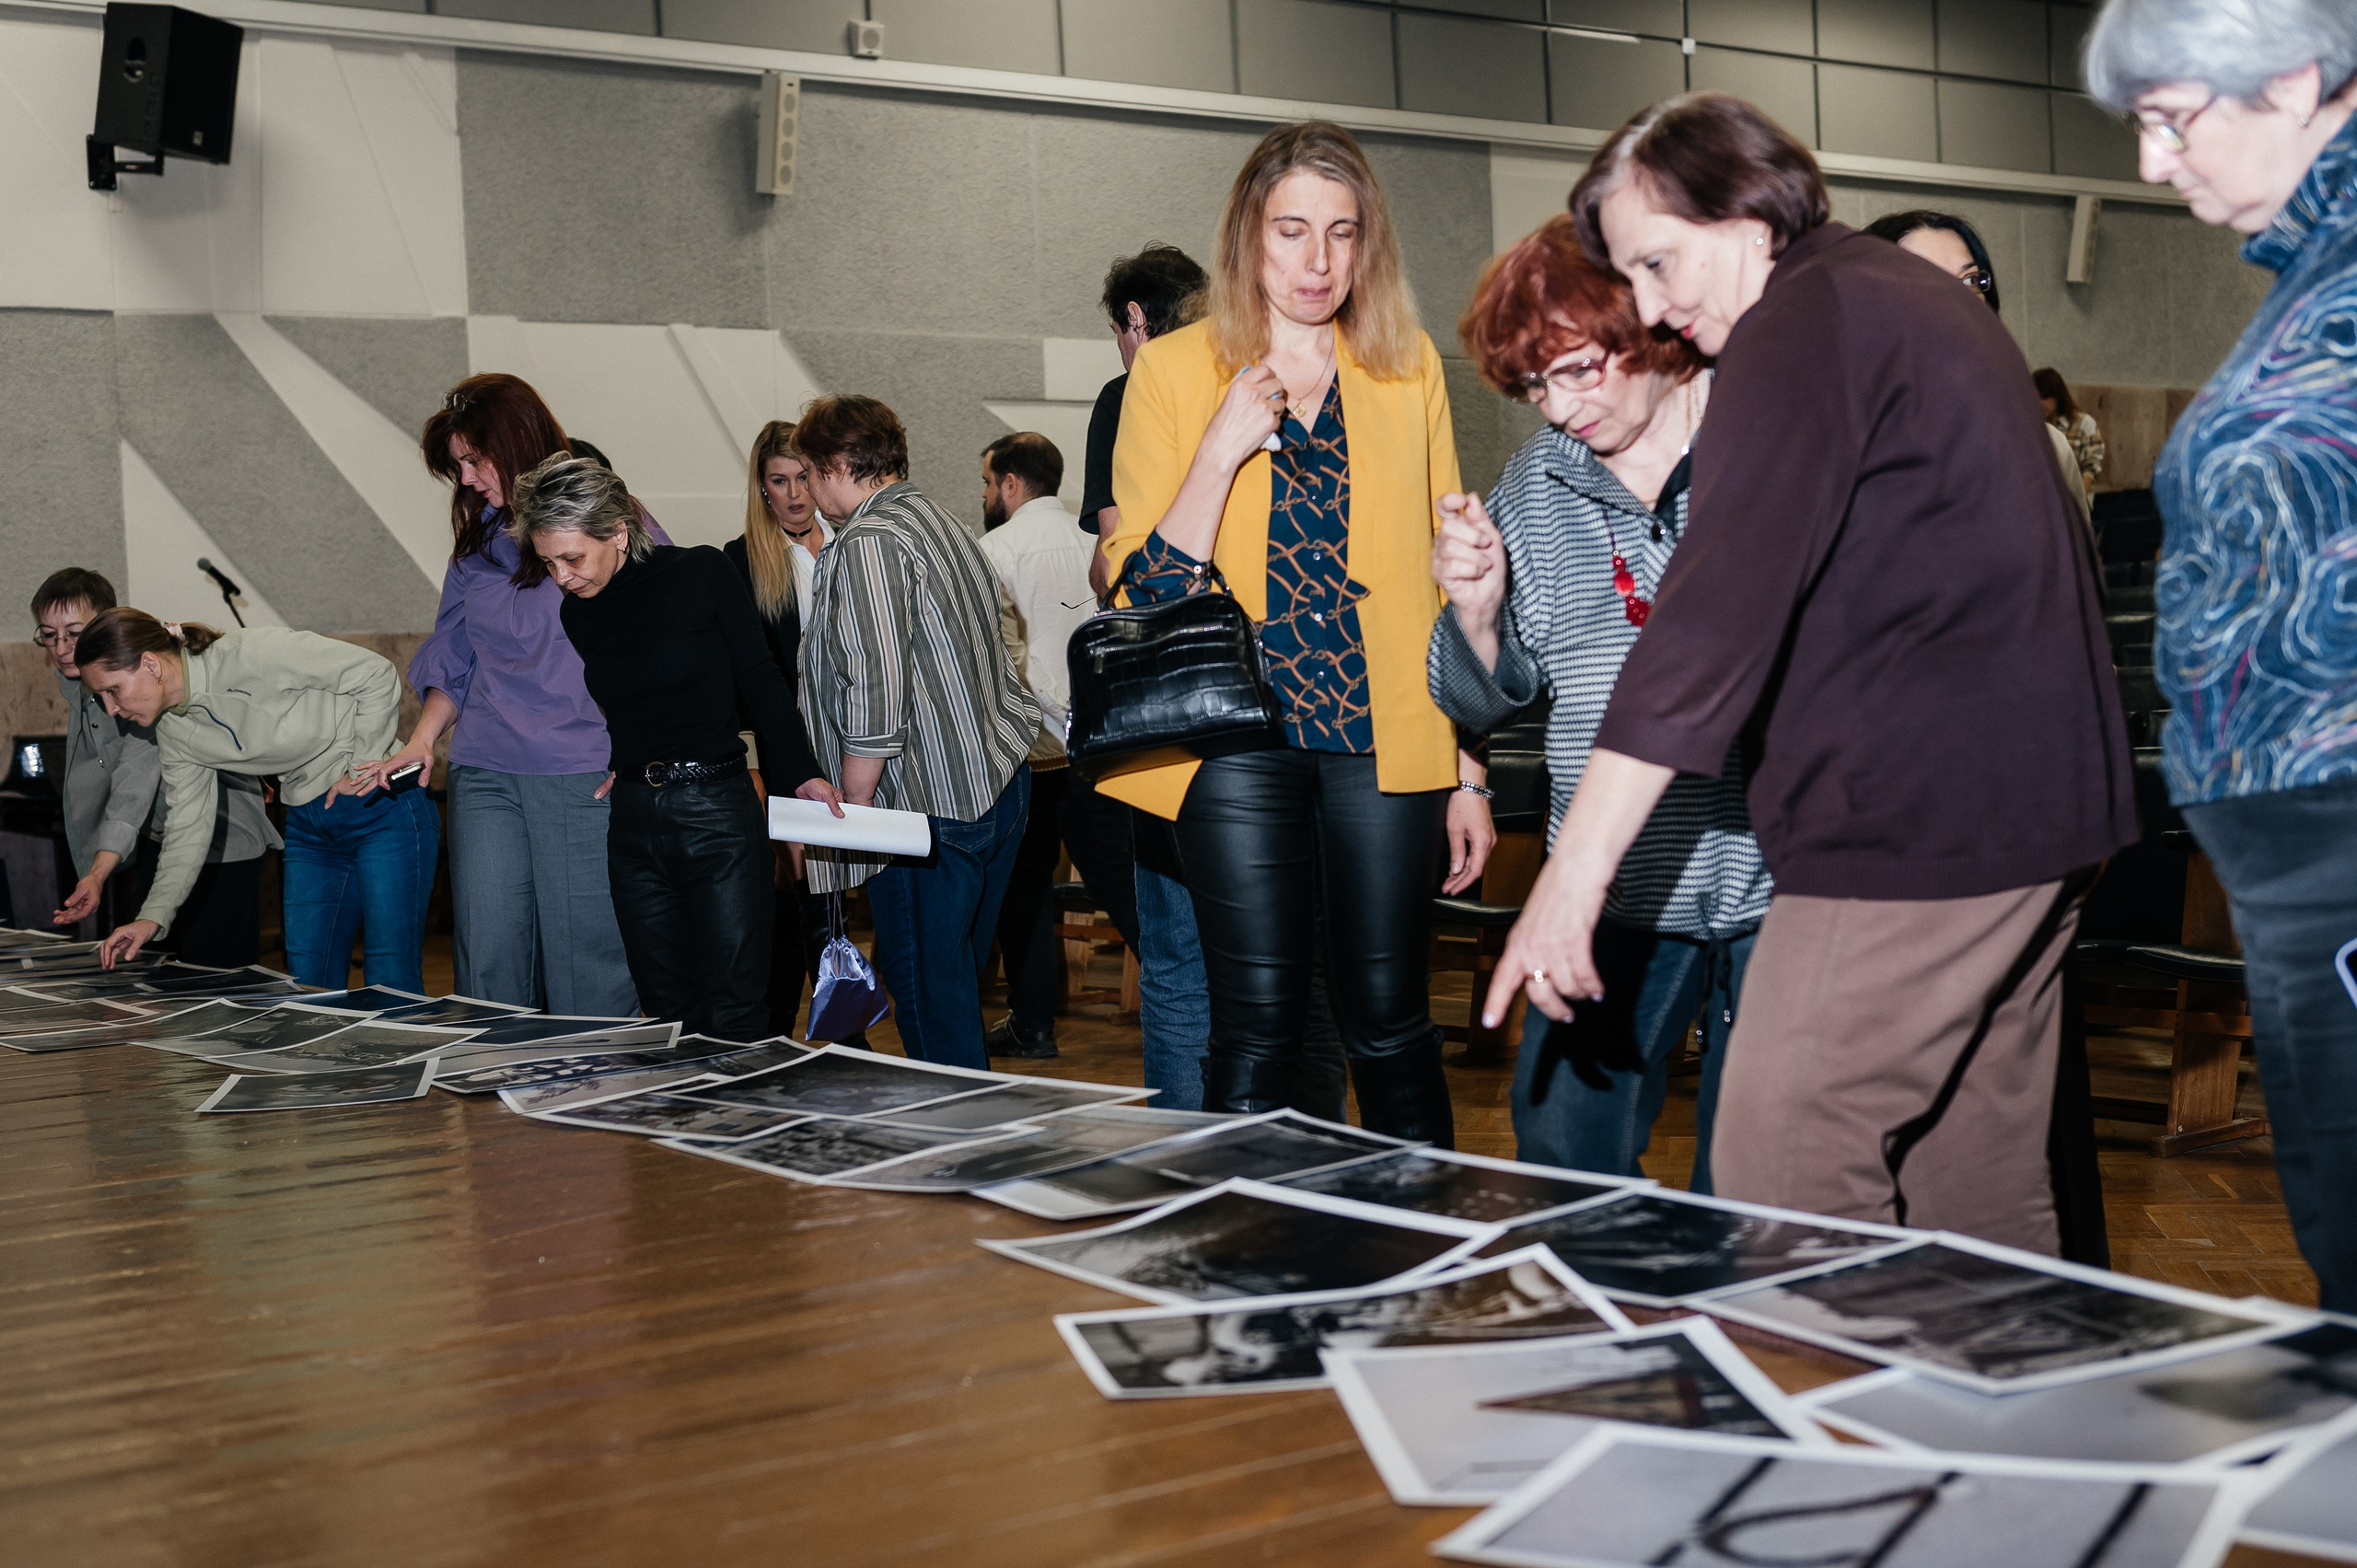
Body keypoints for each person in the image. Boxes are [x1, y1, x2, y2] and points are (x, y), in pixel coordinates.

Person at [1499, 92, 2134, 1254]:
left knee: (1780, 1166)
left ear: (1744, 211)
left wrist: (1571, 874)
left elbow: (1707, 623)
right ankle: (1993, 1420)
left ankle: (1806, 1430)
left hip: (1913, 823)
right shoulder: (1896, 298)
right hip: (2039, 817)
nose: (1651, 305)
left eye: (1656, 259)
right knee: (1971, 1194)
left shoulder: (1800, 322)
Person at [1103, 121, 1495, 1144]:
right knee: (1258, 1020)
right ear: (1247, 237)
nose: (1317, 261)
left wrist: (1467, 770)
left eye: (1341, 232)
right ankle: (1249, 1243)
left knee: (1388, 1019)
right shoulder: (1176, 372)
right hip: (1236, 742)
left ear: (1369, 245)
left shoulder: (1407, 369)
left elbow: (1452, 584)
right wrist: (1221, 449)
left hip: (1383, 733)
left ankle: (1426, 1241)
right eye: (1290, 231)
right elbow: (1143, 592)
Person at [2085, 0, 2357, 1307]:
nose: (2152, 161)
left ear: (2297, 78)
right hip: (2297, 854)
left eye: (2171, 118)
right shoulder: (2313, 267)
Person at [1432, 217, 1771, 1185]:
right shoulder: (1537, 485)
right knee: (1560, 1152)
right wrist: (1479, 614)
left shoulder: (1769, 436)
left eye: (1576, 370)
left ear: (1648, 328)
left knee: (1759, 1179)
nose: (1558, 408)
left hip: (1784, 884)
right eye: (1533, 386)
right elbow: (1469, 695)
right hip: (1613, 889)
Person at [509, 456, 841, 1041]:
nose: (561, 576)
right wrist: (627, 759)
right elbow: (631, 700)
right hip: (634, 821)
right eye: (548, 562)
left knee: (736, 1008)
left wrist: (800, 774)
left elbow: (760, 680)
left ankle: (743, 1128)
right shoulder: (577, 611)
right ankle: (685, 1129)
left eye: (571, 558)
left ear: (617, 532)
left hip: (717, 810)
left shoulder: (702, 573)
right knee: (667, 1010)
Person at [357, 376, 651, 1017]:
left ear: (516, 441)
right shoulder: (478, 540)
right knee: (488, 954)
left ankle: (594, 1091)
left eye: (473, 459)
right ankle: (498, 1095)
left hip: (581, 768)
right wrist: (421, 740)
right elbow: (455, 651)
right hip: (486, 766)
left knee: (586, 962)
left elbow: (662, 640)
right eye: (457, 464)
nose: (464, 478)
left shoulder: (609, 517)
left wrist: (641, 747)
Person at [795, 395, 1042, 1071]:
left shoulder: (870, 541)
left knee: (931, 997)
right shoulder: (940, 519)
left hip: (925, 807)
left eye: (810, 475)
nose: (809, 495)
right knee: (954, 980)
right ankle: (978, 1132)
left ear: (838, 465)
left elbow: (876, 688)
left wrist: (855, 808)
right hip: (995, 783)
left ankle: (962, 1146)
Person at [78, 612, 441, 989]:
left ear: (150, 664)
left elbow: (375, 673)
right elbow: (187, 830)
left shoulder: (250, 653)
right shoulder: (174, 732)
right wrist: (152, 916)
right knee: (308, 981)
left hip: (383, 807)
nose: (110, 709)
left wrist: (359, 767)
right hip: (308, 821)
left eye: (113, 690)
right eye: (101, 697)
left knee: (389, 974)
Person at [977, 430, 1137, 1059]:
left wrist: (1058, 716)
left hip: (1036, 746)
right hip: (1104, 741)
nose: (987, 493)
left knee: (1025, 890)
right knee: (1124, 883)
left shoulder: (992, 549)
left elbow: (1008, 664)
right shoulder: (1097, 544)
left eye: (989, 482)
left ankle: (1034, 1024)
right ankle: (1199, 1000)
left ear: (1013, 483)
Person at [33, 569, 276, 964]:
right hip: (158, 836)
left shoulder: (143, 683)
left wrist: (97, 873)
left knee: (216, 981)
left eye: (74, 633)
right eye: (48, 634)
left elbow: (134, 780)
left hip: (220, 839)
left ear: (104, 625)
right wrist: (95, 872)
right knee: (159, 969)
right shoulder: (86, 684)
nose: (61, 647)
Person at [725, 419, 848, 1040]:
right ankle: (803, 1029)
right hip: (782, 755)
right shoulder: (739, 562)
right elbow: (743, 685)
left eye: (804, 477)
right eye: (780, 480)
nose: (795, 493)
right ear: (761, 488)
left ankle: (831, 1026)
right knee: (799, 891)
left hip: (858, 744)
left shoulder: (856, 542)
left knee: (827, 894)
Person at [1864, 211, 2094, 527]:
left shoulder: (2046, 448)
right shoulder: (1843, 453)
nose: (1959, 298)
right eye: (1925, 277)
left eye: (1971, 280)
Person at [2033, 366, 2107, 494]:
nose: (2038, 403)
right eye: (2035, 397)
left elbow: (2090, 468)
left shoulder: (2083, 423)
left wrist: (2076, 500)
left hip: (2073, 497)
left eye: (2044, 397)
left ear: (2057, 396)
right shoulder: (2033, 425)